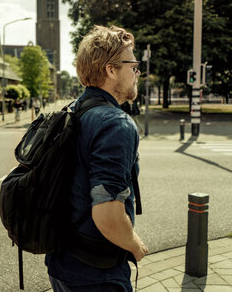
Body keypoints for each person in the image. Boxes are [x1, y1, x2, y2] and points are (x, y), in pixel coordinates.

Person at [45, 25, 148, 292]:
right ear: (111, 70)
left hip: (62, 263)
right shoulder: (116, 124)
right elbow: (107, 213)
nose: (137, 73)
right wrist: (135, 245)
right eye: (133, 65)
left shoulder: (73, 111)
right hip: (97, 274)